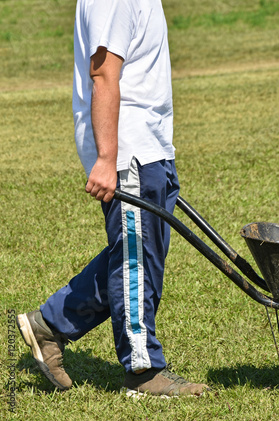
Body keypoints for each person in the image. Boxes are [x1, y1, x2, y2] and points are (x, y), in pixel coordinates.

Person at [16, 0, 208, 398]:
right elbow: (103, 74)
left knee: (136, 256)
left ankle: (48, 326)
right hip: (128, 151)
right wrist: (107, 158)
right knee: (136, 262)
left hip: (149, 146)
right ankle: (143, 371)